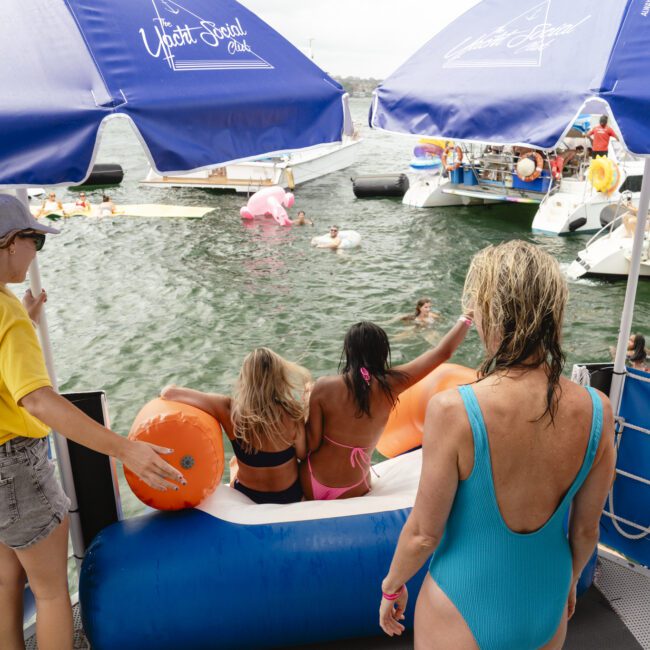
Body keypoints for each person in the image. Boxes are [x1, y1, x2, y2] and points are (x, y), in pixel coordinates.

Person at [378, 240, 615, 650]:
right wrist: (570, 582)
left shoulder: (454, 410)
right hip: (546, 596)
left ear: (490, 313)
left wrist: (391, 586)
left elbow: (423, 535)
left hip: (461, 604)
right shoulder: (597, 410)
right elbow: (584, 530)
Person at [0, 194, 184, 650]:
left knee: (5, 585)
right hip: (17, 469)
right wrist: (126, 449)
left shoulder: (9, 316)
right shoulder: (7, 319)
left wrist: (22, 317)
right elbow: (39, 401)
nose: (35, 251)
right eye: (34, 241)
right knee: (51, 593)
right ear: (7, 243)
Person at [300, 317, 472, 500]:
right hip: (354, 486)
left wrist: (306, 405)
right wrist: (466, 318)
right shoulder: (392, 384)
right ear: (382, 351)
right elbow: (442, 353)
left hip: (313, 478)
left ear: (348, 351)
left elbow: (311, 444)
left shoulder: (323, 386)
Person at [161, 347, 310, 504]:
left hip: (247, 496)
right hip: (290, 496)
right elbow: (302, 454)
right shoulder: (292, 414)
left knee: (235, 463)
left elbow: (169, 393)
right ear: (279, 378)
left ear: (244, 378)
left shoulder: (229, 409)